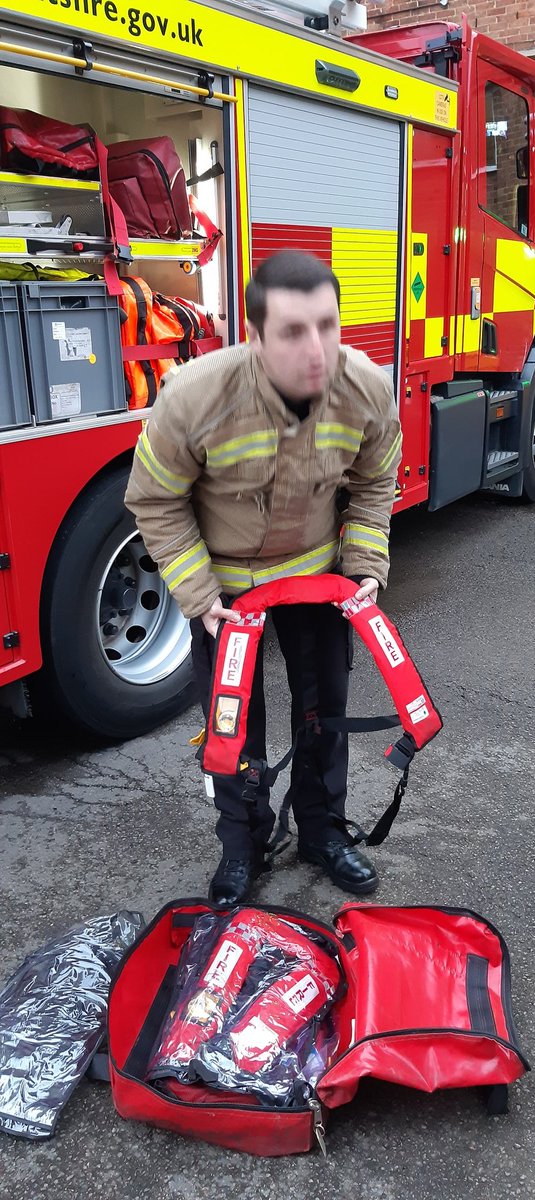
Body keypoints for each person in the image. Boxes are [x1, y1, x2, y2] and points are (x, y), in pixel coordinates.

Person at [125, 251, 401, 906]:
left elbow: (374, 482)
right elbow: (155, 501)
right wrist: (198, 596)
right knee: (232, 728)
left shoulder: (366, 388)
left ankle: (322, 833)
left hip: (316, 580)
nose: (318, 350)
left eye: (328, 326)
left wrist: (363, 566)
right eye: (293, 332)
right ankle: (242, 846)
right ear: (253, 337)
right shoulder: (194, 397)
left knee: (323, 713)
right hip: (226, 596)